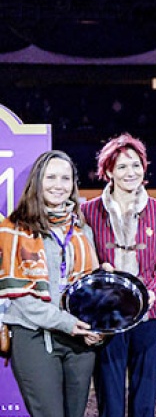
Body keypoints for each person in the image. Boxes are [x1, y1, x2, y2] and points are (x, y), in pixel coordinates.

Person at [80, 134, 156, 417]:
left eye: (136, 165)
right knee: (110, 400)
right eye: (122, 167)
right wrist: (100, 271)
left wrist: (149, 294)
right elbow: (83, 262)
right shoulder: (89, 211)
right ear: (108, 171)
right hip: (107, 317)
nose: (130, 173)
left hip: (150, 315)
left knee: (145, 400)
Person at [0, 150, 103, 417]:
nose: (59, 185)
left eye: (65, 178)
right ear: (37, 181)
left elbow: (90, 289)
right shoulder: (15, 229)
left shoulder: (81, 230)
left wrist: (97, 326)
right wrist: (68, 323)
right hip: (34, 337)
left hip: (80, 342)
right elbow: (21, 300)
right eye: (51, 177)